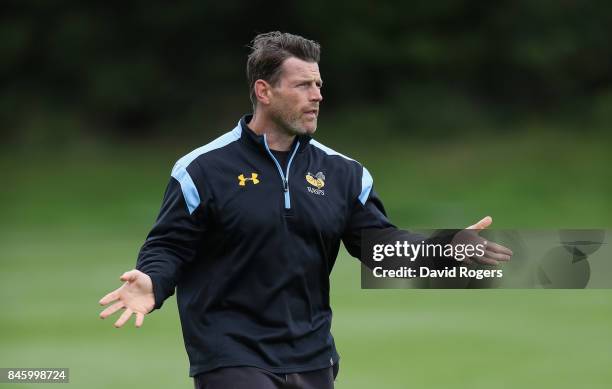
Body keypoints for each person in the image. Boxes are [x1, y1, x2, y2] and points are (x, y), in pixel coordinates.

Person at [98, 31, 512, 389]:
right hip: (230, 353)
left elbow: (379, 247)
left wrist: (445, 252)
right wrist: (153, 281)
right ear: (264, 91)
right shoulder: (203, 169)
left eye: (318, 84)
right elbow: (170, 245)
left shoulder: (343, 173)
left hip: (312, 355)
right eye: (303, 85)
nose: (317, 95)